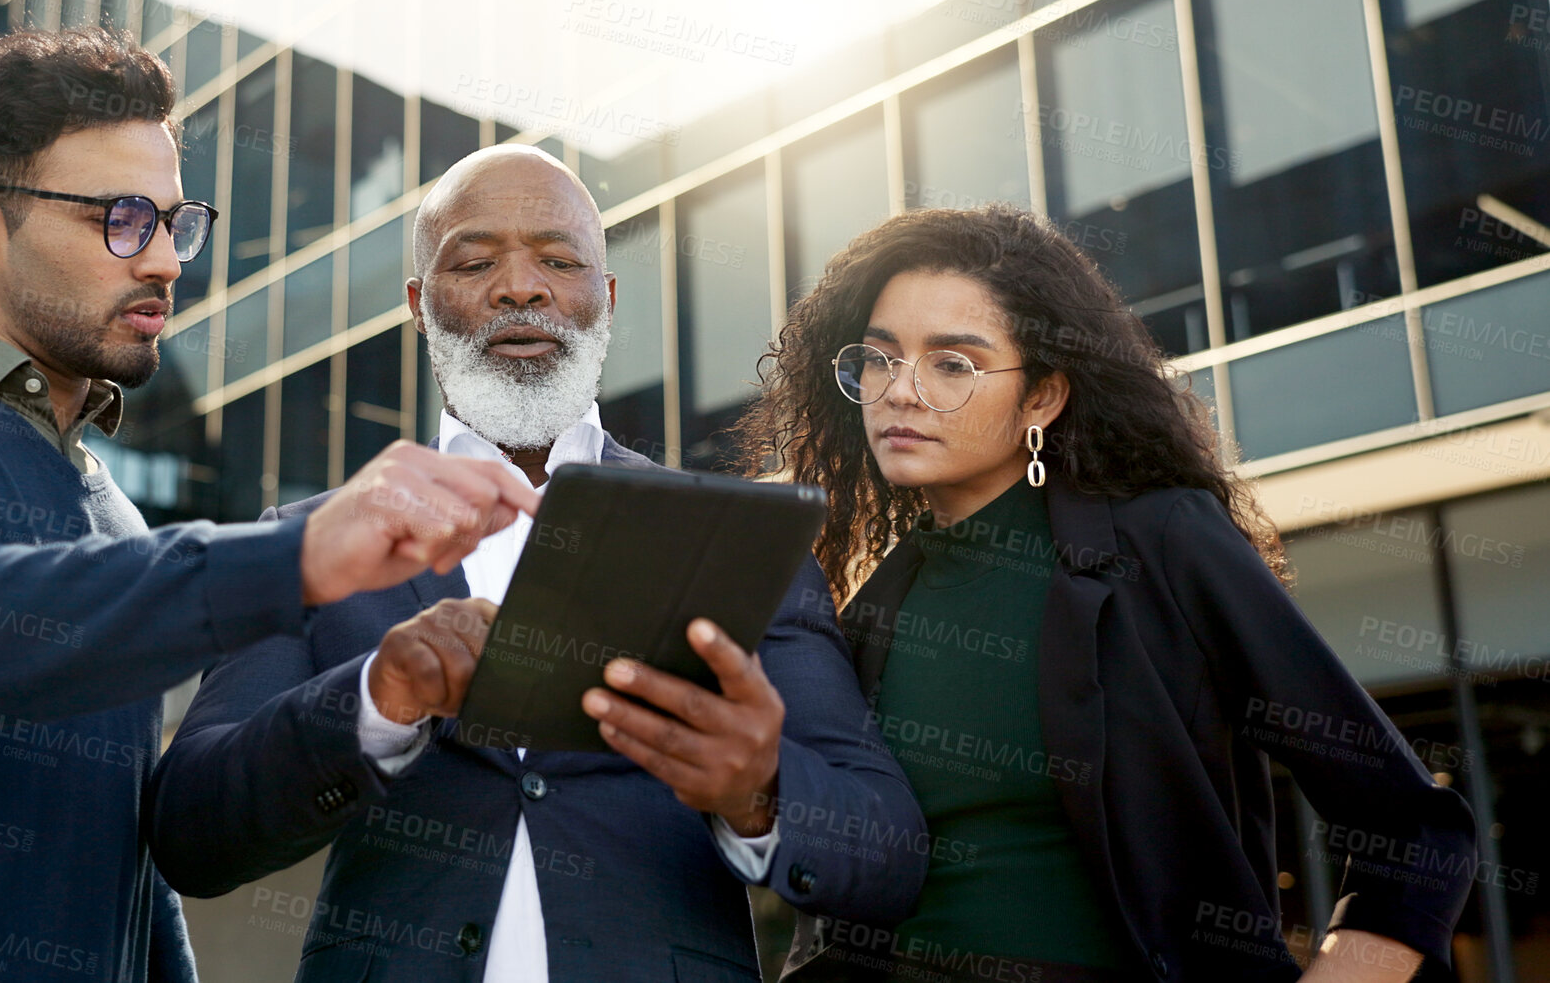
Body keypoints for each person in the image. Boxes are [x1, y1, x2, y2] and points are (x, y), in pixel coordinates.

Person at [0, 29, 535, 983]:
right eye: (121, 219)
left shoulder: (112, 508)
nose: (165, 260)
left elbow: (125, 872)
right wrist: (288, 560)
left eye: (174, 220)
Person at [147, 145, 928, 981]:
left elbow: (885, 850)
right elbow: (192, 832)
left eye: (558, 260)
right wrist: (376, 697)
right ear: (418, 304)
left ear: (607, 296)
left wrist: (759, 787)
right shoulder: (317, 538)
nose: (521, 287)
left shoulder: (733, 536)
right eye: (476, 261)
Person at [732, 204, 1478, 982]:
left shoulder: (1160, 540)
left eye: (953, 363)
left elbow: (1416, 837)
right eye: (880, 358)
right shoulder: (867, 602)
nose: (900, 392)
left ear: (1042, 399)